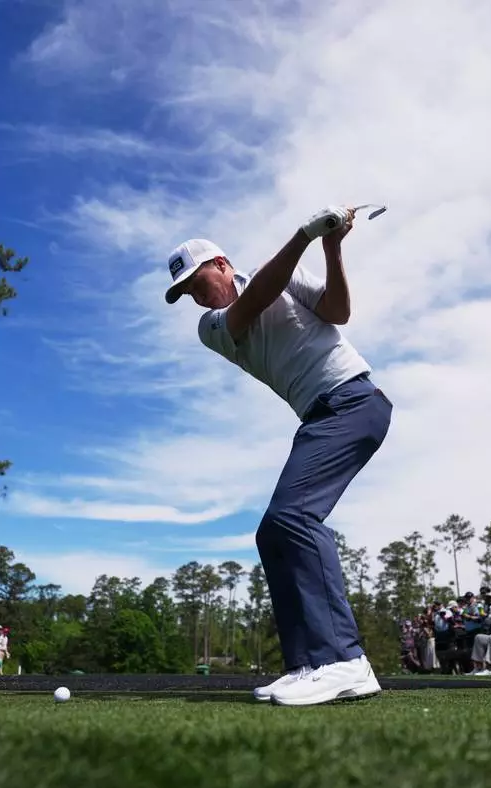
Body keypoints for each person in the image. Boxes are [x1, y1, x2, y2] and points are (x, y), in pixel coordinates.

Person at [164, 205, 389, 706]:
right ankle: (308, 663)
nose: (195, 297)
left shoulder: (286, 276)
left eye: (197, 283)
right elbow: (256, 300)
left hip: (354, 400)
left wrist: (331, 249)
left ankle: (344, 661)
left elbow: (338, 313)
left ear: (221, 264)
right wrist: (305, 235)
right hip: (321, 414)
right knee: (273, 531)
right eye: (187, 293)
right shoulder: (212, 326)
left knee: (294, 518)